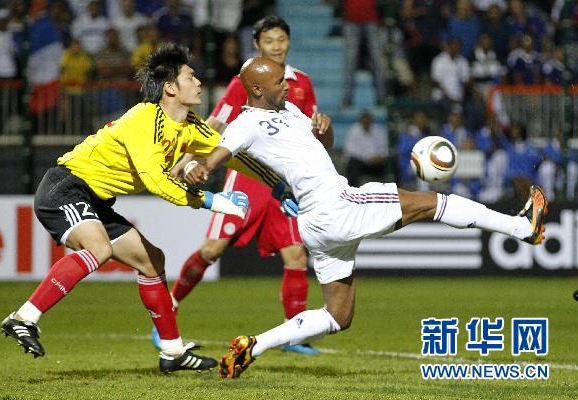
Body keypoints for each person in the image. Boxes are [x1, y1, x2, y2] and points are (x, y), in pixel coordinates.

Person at [184, 57, 548, 379]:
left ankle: (254, 345)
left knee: (337, 316)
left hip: (317, 225)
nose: (288, 84)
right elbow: (219, 153)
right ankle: (521, 227)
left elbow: (316, 148)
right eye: (280, 81)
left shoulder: (290, 111)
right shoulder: (246, 123)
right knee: (431, 202)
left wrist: (324, 134)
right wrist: (202, 169)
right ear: (258, 89)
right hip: (336, 205)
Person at [0, 44, 284, 374]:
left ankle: (173, 352)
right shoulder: (144, 118)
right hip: (67, 186)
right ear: (171, 87)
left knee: (152, 261)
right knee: (99, 248)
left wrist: (276, 185)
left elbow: (231, 153)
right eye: (191, 77)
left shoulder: (190, 126)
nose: (199, 83)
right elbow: (156, 181)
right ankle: (23, 318)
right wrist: (212, 201)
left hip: (97, 201)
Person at [153, 16, 321, 356]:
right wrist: (185, 161)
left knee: (296, 256)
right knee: (212, 250)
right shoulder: (243, 81)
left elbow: (311, 128)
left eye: (281, 39)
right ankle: (168, 310)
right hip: (248, 177)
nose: (276, 45)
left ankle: (294, 334)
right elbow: (215, 123)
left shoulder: (301, 82)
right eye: (269, 40)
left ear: (288, 42)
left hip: (283, 183)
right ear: (257, 45)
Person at [343, 110, 389, 186]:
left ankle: (393, 190)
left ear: (371, 121)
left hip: (376, 162)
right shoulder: (353, 131)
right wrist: (368, 158)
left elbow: (384, 148)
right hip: (361, 162)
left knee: (391, 162)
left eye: (368, 121)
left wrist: (380, 156)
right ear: (360, 121)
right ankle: (352, 190)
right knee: (353, 163)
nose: (366, 123)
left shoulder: (379, 131)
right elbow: (350, 150)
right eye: (364, 121)